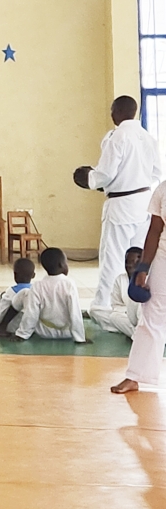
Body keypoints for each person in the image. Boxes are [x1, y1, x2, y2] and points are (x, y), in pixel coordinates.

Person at [74, 96, 162, 315]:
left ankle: (102, 306)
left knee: (112, 257)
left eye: (112, 110)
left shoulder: (118, 136)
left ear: (120, 111)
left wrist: (89, 179)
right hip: (144, 202)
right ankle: (136, 306)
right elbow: (157, 172)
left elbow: (106, 173)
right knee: (138, 256)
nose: (111, 114)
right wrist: (135, 180)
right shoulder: (148, 137)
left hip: (121, 204)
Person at [112, 181, 166, 393]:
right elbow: (154, 231)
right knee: (151, 315)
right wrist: (143, 267)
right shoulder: (163, 190)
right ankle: (135, 376)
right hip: (163, 256)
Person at [13, 248, 87, 343]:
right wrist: (80, 338)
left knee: (30, 311)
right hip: (67, 333)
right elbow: (75, 312)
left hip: (44, 332)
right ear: (61, 265)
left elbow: (31, 313)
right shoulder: (69, 284)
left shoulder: (37, 286)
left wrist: (22, 335)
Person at [92, 247, 143, 339]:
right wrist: (126, 312)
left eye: (133, 262)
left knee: (116, 318)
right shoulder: (120, 279)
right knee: (96, 311)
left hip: (143, 319)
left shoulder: (146, 280)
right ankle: (135, 333)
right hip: (125, 316)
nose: (129, 265)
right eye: (127, 262)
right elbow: (116, 305)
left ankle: (137, 334)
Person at [0, 257, 36, 333]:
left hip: (10, 327)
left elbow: (0, 317)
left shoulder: (11, 292)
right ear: (33, 275)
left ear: (15, 274)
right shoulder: (34, 291)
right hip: (27, 327)